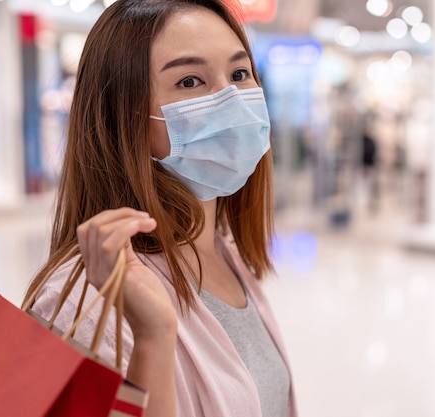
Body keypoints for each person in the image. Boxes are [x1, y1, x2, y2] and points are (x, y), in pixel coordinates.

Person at [23, 1, 297, 416]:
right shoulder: (85, 298)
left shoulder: (225, 252)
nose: (232, 100)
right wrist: (152, 338)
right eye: (190, 81)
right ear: (123, 117)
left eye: (239, 74)